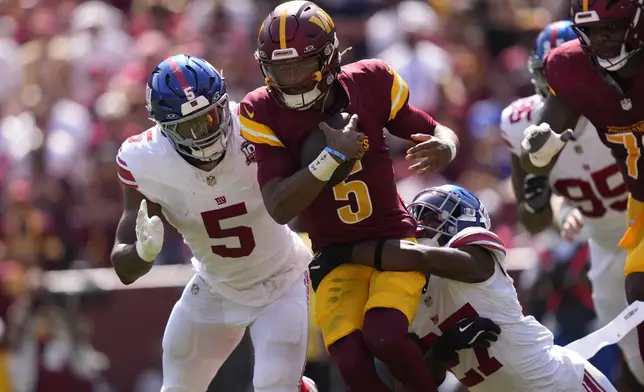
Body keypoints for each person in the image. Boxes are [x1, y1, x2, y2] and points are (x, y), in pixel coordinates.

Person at [239, 2, 459, 391]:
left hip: (392, 241)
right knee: (351, 363)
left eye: (301, 68)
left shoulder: (371, 80)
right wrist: (333, 157)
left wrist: (446, 144)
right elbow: (278, 206)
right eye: (280, 70)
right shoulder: (260, 110)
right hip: (334, 255)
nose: (290, 81)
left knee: (386, 336)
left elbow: (435, 129)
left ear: (329, 59)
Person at [110, 54, 316, 392]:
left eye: (208, 118)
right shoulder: (143, 160)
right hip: (214, 286)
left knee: (274, 385)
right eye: (188, 126)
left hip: (281, 278)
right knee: (176, 387)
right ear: (164, 128)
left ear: (224, 103)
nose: (202, 133)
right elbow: (124, 267)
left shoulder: (255, 123)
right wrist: (144, 252)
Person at [311, 184, 618, 391]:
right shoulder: (405, 292)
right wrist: (443, 350)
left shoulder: (473, 255)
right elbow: (416, 381)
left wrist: (345, 251)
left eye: (431, 215)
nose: (419, 223)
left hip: (562, 384)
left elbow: (421, 255)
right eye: (416, 215)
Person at [499, 20, 643, 386]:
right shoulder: (523, 128)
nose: (554, 89)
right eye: (546, 77)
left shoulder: (614, 106)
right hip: (604, 247)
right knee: (635, 360)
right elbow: (533, 221)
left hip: (638, 225)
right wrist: (547, 203)